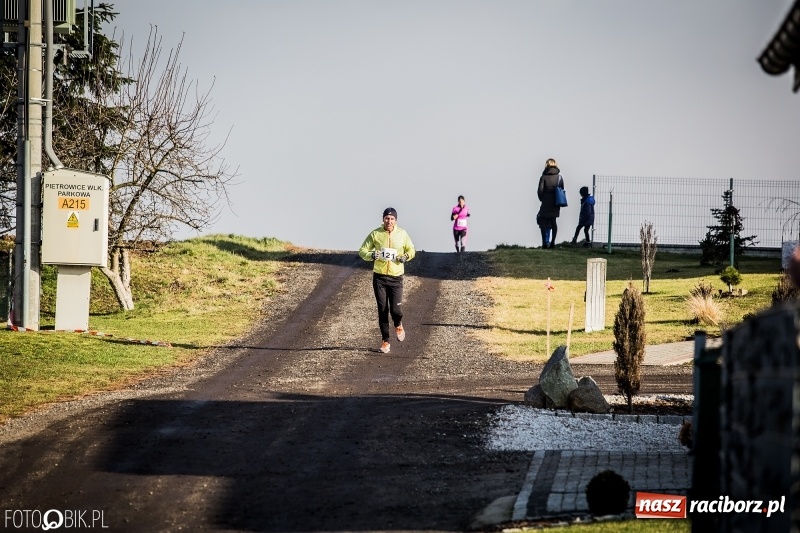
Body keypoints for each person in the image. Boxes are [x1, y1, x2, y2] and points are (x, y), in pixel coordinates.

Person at [358, 207, 416, 353]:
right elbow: (362, 251)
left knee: (396, 310)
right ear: (383, 219)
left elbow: (411, 250)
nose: (389, 221)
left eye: (392, 219)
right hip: (380, 277)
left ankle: (398, 324)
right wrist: (372, 255)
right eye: (387, 218)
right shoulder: (375, 234)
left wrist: (406, 257)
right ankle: (385, 341)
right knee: (382, 309)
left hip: (396, 278)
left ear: (395, 220)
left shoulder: (402, 234)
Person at [537, 158, 565, 249]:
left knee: (543, 222)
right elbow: (562, 189)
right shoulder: (559, 177)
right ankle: (552, 242)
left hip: (545, 202)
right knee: (553, 222)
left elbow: (540, 191)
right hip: (555, 202)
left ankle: (544, 242)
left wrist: (542, 199)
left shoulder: (543, 177)